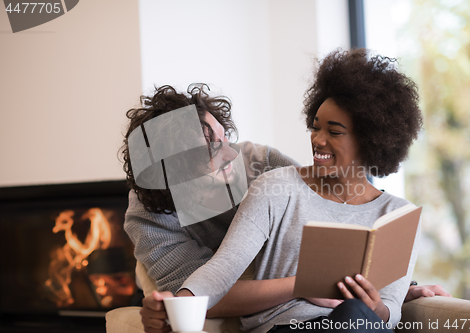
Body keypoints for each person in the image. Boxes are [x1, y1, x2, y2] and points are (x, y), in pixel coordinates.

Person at [121, 56, 451, 333]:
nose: (230, 155)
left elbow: (327, 220)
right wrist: (177, 304)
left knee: (354, 317)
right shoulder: (151, 215)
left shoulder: (260, 165)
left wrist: (391, 292)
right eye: (209, 153)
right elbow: (213, 281)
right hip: (280, 320)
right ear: (175, 176)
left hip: (350, 320)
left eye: (224, 139)